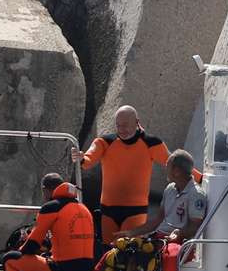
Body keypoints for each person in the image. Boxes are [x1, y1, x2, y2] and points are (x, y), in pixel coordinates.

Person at [72, 105, 180, 247]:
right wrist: (81, 158)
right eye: (118, 126)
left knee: (128, 252)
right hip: (108, 209)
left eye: (126, 126)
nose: (122, 130)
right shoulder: (105, 142)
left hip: (135, 210)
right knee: (109, 253)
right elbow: (88, 159)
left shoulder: (151, 143)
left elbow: (177, 164)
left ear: (137, 122)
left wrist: (200, 179)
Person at [114, 149, 207, 271]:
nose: (165, 168)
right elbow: (157, 220)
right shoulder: (170, 189)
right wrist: (131, 233)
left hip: (178, 242)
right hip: (159, 238)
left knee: (170, 256)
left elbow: (194, 226)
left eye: (167, 166)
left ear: (176, 171)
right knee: (125, 248)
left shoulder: (197, 194)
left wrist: (178, 234)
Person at [3, 173, 95, 271]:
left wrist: (22, 249)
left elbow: (32, 246)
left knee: (10, 258)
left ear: (45, 190)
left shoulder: (51, 207)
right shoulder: (84, 209)